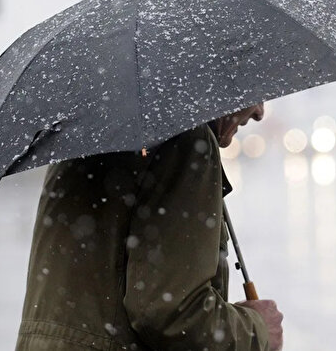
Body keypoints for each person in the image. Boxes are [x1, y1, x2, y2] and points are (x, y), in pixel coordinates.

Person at [16, 103, 283, 350]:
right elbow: (169, 312)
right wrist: (257, 330)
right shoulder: (185, 140)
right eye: (257, 97)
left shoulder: (86, 136)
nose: (260, 112)